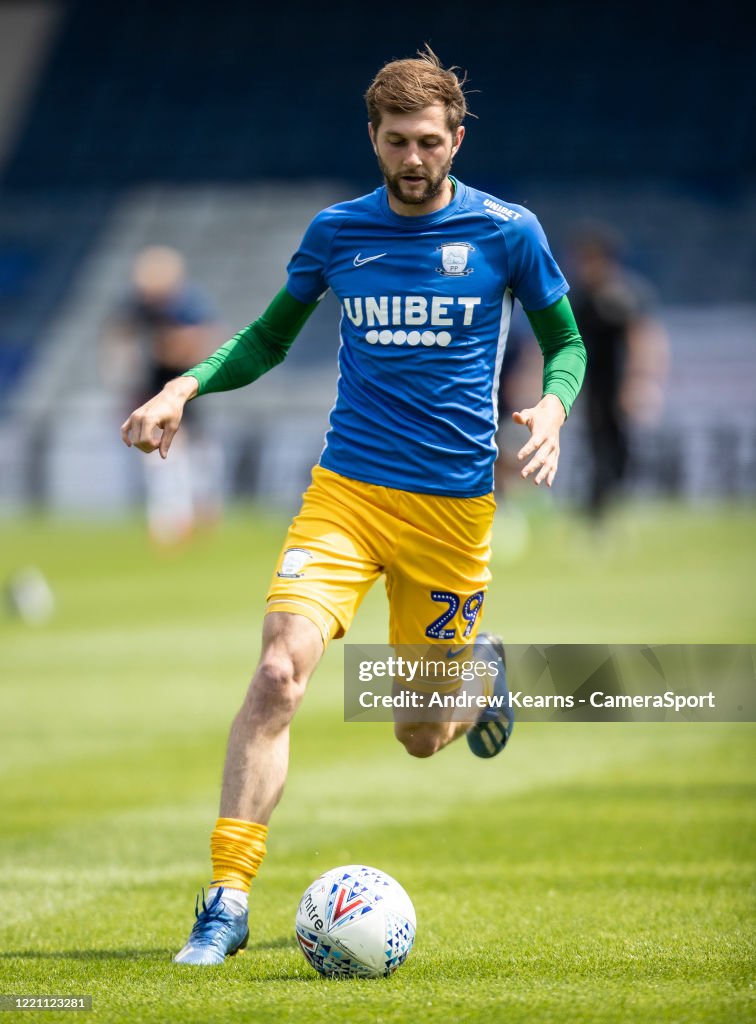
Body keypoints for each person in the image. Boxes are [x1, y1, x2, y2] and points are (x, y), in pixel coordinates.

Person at [121, 47, 587, 965]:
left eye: (429, 141)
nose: (413, 159)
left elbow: (565, 342)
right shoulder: (337, 232)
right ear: (371, 138)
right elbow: (265, 341)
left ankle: (482, 674)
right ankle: (227, 896)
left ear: (457, 138)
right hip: (347, 497)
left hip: (453, 516)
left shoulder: (508, 231)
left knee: (419, 734)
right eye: (395, 141)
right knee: (278, 673)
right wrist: (186, 385)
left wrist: (555, 408)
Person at [103, 246, 222, 544]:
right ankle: (174, 518)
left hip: (187, 384)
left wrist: (168, 346)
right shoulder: (139, 307)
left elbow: (201, 342)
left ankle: (197, 510)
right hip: (156, 387)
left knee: (197, 453)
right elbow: (119, 334)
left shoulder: (187, 305)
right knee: (165, 453)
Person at [567, 222, 669, 519]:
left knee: (620, 449)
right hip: (592, 387)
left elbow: (643, 338)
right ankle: (596, 510)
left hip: (620, 385)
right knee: (597, 447)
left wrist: (640, 382)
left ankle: (612, 504)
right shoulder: (580, 299)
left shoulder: (624, 295)